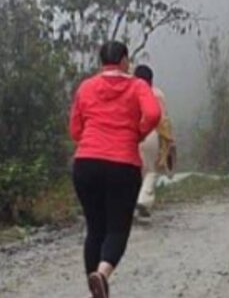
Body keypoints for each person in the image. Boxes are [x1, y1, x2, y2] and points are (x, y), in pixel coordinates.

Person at [69, 41, 161, 298]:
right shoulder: (137, 85)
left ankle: (94, 290)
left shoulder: (86, 87)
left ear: (101, 62)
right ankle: (102, 274)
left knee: (95, 228)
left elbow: (75, 129)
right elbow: (153, 114)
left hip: (86, 163)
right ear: (124, 61)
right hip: (123, 164)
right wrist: (138, 133)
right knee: (117, 228)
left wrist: (89, 142)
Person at [133, 65, 176, 218]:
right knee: (151, 170)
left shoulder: (130, 92)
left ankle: (131, 203)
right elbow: (164, 119)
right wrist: (169, 141)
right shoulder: (157, 94)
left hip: (132, 135)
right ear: (151, 80)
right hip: (152, 135)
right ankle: (144, 200)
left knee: (135, 170)